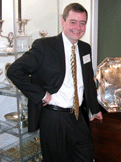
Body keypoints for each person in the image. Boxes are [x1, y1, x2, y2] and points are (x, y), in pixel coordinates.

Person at [7, 3, 103, 162]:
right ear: (63, 21)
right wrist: (41, 94)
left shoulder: (85, 48)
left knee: (86, 154)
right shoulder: (45, 46)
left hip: (79, 116)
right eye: (73, 22)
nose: (78, 27)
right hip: (53, 118)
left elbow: (87, 81)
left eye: (82, 23)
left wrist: (95, 108)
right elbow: (14, 71)